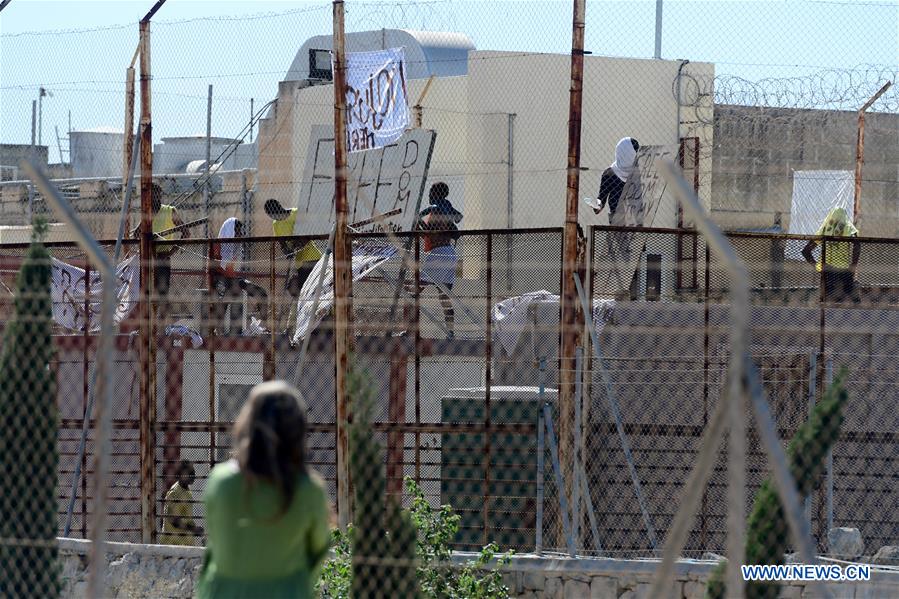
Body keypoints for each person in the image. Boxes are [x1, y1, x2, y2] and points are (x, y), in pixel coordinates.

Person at [195, 381, 330, 599]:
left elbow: (215, 545)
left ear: (247, 423)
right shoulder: (310, 490)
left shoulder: (220, 482)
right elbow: (317, 552)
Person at [264, 199, 323, 334]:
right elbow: (283, 244)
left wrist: (297, 244)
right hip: (299, 263)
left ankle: (312, 326)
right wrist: (287, 251)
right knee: (296, 291)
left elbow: (308, 234)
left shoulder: (296, 213)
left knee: (310, 293)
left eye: (274, 213)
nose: (274, 217)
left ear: (279, 208)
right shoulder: (276, 225)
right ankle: (300, 326)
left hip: (312, 259)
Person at [413, 182, 463, 338]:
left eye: (430, 192)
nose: (428, 196)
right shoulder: (447, 207)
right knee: (444, 295)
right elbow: (459, 217)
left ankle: (410, 330)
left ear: (435, 193)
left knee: (416, 288)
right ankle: (450, 331)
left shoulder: (435, 208)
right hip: (450, 252)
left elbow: (428, 231)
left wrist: (418, 221)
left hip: (439, 253)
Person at [211, 217, 269, 335]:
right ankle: (217, 333)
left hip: (233, 280)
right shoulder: (218, 245)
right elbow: (219, 267)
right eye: (238, 231)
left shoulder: (236, 246)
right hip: (221, 279)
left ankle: (265, 327)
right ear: (230, 231)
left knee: (262, 293)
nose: (241, 234)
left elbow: (232, 268)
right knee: (224, 298)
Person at [801, 207, 860, 302]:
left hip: (827, 273)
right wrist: (853, 266)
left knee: (826, 307)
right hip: (844, 273)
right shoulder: (847, 227)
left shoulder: (825, 229)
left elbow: (806, 251)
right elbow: (857, 244)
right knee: (853, 306)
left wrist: (818, 268)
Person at [151, 184, 188, 323]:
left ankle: (161, 326)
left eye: (156, 194)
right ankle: (151, 325)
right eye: (151, 194)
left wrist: (172, 251)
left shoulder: (169, 211)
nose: (154, 197)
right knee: (147, 294)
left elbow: (186, 232)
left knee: (162, 295)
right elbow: (137, 233)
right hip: (148, 260)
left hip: (162, 259)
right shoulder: (147, 213)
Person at [593, 137, 640, 224]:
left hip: (636, 221)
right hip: (617, 221)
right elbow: (601, 199)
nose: (637, 154)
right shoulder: (610, 174)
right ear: (627, 153)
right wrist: (597, 205)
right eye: (635, 151)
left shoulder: (638, 173)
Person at [159, 460, 203, 546]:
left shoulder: (186, 491)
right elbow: (174, 520)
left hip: (182, 543)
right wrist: (193, 529)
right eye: (189, 473)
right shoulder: (175, 493)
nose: (193, 475)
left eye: (193, 472)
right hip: (172, 544)